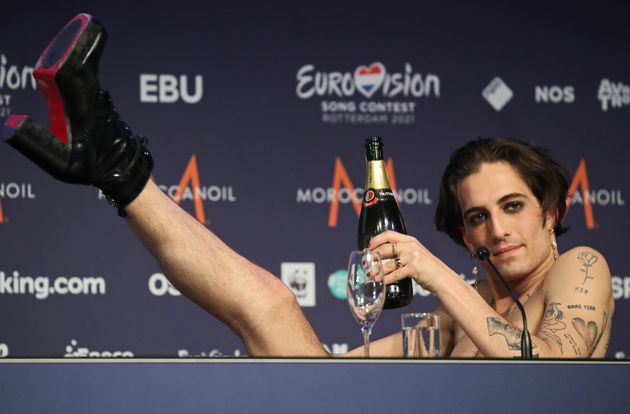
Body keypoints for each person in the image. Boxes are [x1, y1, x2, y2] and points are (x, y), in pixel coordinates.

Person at [3, 14, 613, 359]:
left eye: (512, 207)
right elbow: (334, 375)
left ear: (551, 211)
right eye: (476, 216)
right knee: (272, 306)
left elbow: (546, 364)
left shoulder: (580, 267)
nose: (496, 228)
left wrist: (431, 271)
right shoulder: (460, 320)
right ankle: (122, 174)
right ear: (464, 232)